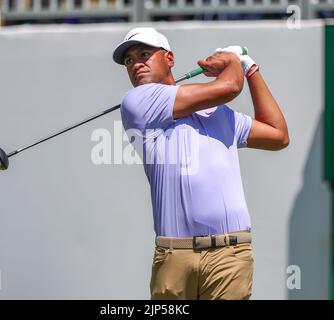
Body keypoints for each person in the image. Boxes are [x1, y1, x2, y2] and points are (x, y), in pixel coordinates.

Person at [113, 27, 289, 300]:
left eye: (144, 54)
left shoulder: (220, 113)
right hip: (174, 256)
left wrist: (251, 69)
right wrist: (232, 61)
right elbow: (230, 86)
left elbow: (278, 135)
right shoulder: (137, 102)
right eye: (129, 60)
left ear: (169, 58)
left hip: (229, 255)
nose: (136, 64)